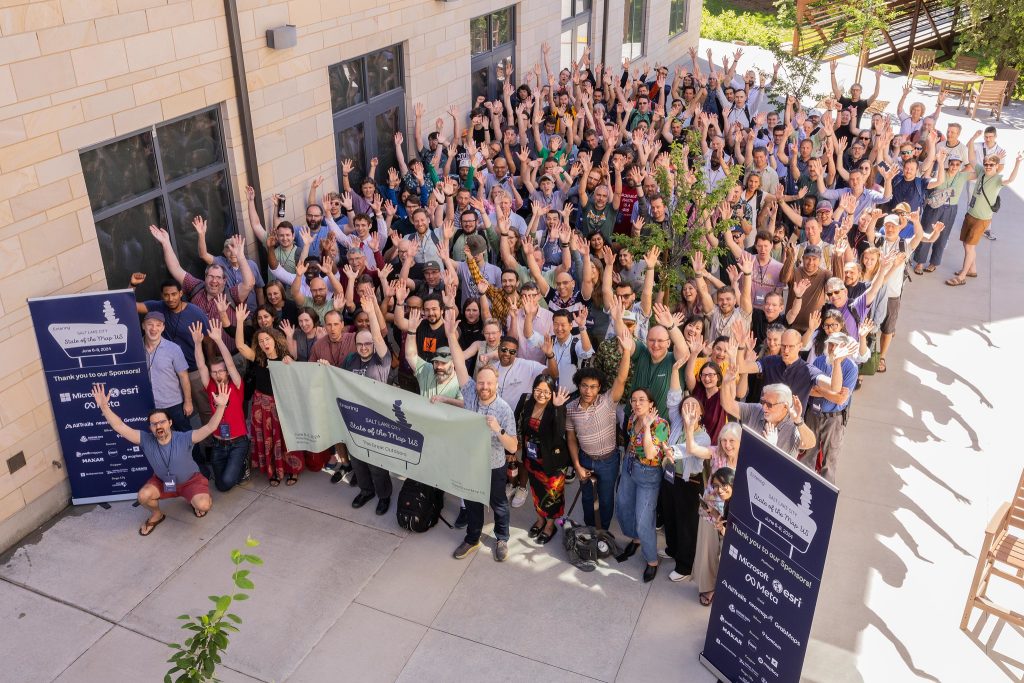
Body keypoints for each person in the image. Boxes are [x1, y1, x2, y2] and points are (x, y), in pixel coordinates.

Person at [90, 381, 229, 536]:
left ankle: (193, 499)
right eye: (154, 424)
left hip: (190, 481)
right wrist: (104, 407)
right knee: (143, 496)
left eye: (162, 421)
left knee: (204, 505)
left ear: (169, 423)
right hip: (163, 482)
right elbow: (120, 426)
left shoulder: (184, 438)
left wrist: (221, 406)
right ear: (150, 427)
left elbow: (209, 427)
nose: (159, 426)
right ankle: (157, 515)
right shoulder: (145, 439)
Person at [444, 309, 518, 562]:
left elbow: (513, 447)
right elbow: (458, 363)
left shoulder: (504, 410)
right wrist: (451, 336)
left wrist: (498, 430)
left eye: (488, 384)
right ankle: (472, 538)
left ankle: (502, 539)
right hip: (470, 463)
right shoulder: (471, 394)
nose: (484, 387)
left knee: (498, 504)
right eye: (481, 383)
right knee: (473, 502)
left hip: (494, 465)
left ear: (496, 385)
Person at [565, 330, 634, 530]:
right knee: (587, 497)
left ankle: (602, 532)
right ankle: (589, 529)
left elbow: (621, 379)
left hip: (609, 461)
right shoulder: (570, 408)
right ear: (579, 386)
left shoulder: (608, 402)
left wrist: (627, 352)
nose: (588, 391)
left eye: (593, 387)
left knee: (605, 500)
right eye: (585, 386)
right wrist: (577, 465)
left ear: (599, 388)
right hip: (585, 459)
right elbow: (571, 438)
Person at [342, 284, 394, 516]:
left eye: (367, 344)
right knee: (358, 459)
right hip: (355, 419)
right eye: (360, 344)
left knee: (377, 463)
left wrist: (372, 311)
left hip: (376, 420)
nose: (364, 347)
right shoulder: (351, 359)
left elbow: (377, 336)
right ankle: (366, 491)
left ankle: (383, 495)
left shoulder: (381, 360)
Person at [234, 305, 298, 486]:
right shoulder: (259, 358)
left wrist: (290, 363)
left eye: (267, 339)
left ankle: (292, 470)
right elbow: (239, 345)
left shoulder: (286, 358)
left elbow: (298, 377)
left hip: (283, 406)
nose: (264, 343)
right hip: (261, 405)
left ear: (275, 339)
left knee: (285, 439)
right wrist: (239, 321)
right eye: (261, 341)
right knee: (268, 440)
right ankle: (274, 471)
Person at [615, 386, 673, 583]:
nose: (637, 403)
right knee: (623, 505)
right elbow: (631, 442)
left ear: (651, 404)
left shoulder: (662, 425)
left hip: (649, 475)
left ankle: (651, 560)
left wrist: (647, 427)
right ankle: (636, 538)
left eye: (642, 400)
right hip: (630, 466)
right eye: (634, 400)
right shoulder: (631, 418)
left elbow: (650, 454)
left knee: (643, 519)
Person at [946, 145, 1021, 286]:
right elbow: (972, 159)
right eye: (986, 164)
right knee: (966, 244)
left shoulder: (998, 180)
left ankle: (962, 276)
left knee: (969, 246)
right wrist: (973, 140)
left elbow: (1010, 179)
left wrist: (1017, 162)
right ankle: (972, 270)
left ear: (997, 166)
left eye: (991, 165)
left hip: (982, 219)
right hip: (971, 214)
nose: (987, 166)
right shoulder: (981, 172)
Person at [190, 320, 248, 492]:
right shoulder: (211, 387)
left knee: (227, 483)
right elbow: (201, 365)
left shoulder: (236, 385)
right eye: (214, 371)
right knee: (219, 484)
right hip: (218, 443)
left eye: (221, 371)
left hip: (238, 442)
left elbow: (230, 363)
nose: (217, 374)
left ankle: (243, 465)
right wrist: (197, 343)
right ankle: (235, 467)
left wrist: (219, 340)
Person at [514, 377, 572, 545]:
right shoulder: (526, 401)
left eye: (546, 391)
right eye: (538, 390)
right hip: (531, 458)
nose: (542, 394)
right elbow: (518, 424)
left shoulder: (556, 406)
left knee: (552, 495)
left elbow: (558, 432)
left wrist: (558, 406)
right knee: (536, 491)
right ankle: (540, 520)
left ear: (552, 392)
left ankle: (549, 525)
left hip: (552, 461)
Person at [801, 332, 858, 484]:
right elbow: (809, 389)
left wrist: (820, 390)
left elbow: (841, 398)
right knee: (808, 454)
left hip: (834, 419)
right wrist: (831, 391)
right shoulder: (819, 361)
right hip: (813, 414)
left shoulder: (851, 368)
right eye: (831, 344)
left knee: (829, 461)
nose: (832, 348)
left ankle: (824, 495)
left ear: (844, 347)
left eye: (836, 345)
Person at [692, 466, 736, 606]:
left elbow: (736, 536)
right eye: (716, 486)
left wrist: (722, 530)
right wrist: (712, 511)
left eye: (724, 485)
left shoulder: (738, 504)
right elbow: (726, 521)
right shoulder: (728, 501)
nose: (720, 490)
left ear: (733, 483)